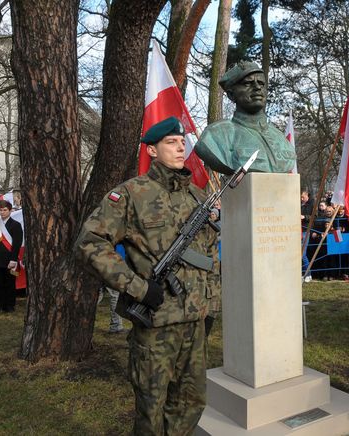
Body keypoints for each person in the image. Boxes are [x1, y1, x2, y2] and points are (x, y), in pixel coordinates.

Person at [76, 117, 220, 434]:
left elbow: (209, 258)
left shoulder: (197, 196)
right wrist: (139, 288)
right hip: (156, 323)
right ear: (152, 150)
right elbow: (89, 243)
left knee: (191, 403)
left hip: (195, 322)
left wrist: (212, 305)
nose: (181, 145)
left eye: (182, 141)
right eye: (171, 142)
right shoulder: (131, 195)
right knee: (151, 412)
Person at [195, 61, 296, 174]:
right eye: (247, 83)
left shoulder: (280, 138)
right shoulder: (216, 135)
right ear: (231, 95)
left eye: (261, 83)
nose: (257, 87)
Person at [0, 200, 23, 312]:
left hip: (10, 260)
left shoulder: (16, 225)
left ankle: (9, 306)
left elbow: (17, 244)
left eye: (5, 210)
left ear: (10, 210)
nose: (2, 212)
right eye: (0, 210)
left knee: (10, 283)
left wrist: (13, 259)